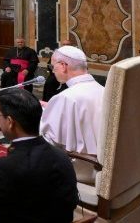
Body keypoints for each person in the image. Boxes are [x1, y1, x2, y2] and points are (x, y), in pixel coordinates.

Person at [0, 89, 78, 222]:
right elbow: (34, 196)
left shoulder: (6, 167)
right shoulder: (61, 156)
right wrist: (12, 133)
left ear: (10, 121)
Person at [40, 45, 104, 183]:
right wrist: (53, 108)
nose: (53, 71)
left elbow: (50, 142)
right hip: (103, 165)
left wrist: (40, 115)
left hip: (81, 169)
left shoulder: (66, 98)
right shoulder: (102, 90)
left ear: (63, 66)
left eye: (53, 67)